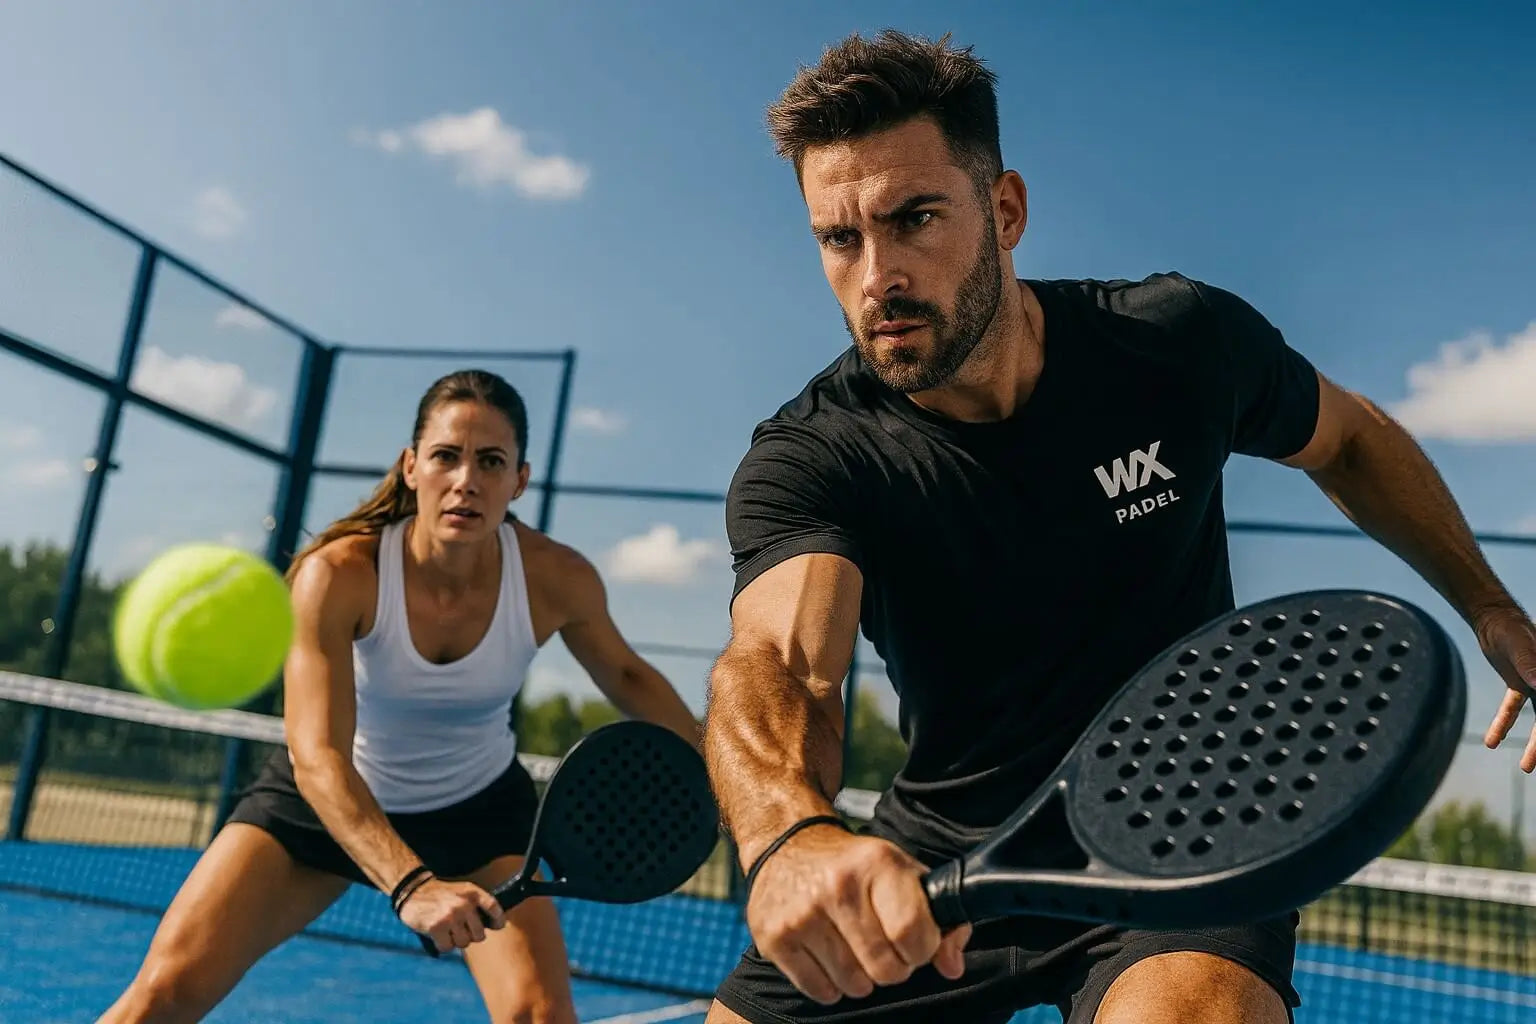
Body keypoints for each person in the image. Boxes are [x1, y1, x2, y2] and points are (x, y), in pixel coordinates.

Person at [701, 29, 1536, 1024]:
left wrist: (1489, 606)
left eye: (914, 217)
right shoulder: (814, 454)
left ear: (1004, 211)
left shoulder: (1174, 345)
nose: (877, 274)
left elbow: (1349, 439)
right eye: (840, 238)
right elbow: (784, 666)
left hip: (1188, 827)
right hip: (949, 848)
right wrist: (788, 833)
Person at [99, 369, 703, 1024]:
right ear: (411, 466)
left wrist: (729, 779)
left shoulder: (557, 578)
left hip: (477, 815)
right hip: (331, 800)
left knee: (541, 1017)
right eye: (446, 456)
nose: (466, 480)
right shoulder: (338, 575)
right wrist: (411, 884)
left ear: (519, 481)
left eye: (491, 462)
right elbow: (318, 757)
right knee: (163, 994)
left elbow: (629, 678)